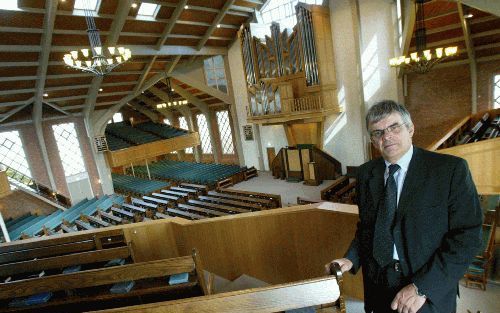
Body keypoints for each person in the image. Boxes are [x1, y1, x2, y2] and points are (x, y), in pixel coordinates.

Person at [326, 100, 482, 313]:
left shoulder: (449, 170)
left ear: (410, 129)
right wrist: (350, 258)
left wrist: (422, 288)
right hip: (379, 286)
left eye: (394, 128)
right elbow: (367, 228)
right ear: (373, 140)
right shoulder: (365, 174)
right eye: (378, 132)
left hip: (427, 289)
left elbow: (467, 237)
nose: (386, 136)